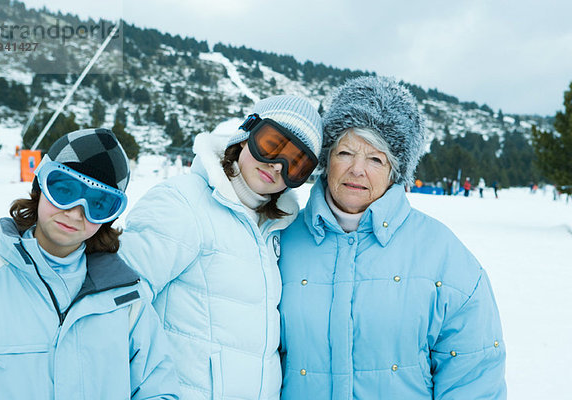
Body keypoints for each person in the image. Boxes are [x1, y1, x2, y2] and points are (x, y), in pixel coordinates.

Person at [278, 77, 506, 399]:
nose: (357, 169)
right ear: (327, 160)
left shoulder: (443, 254)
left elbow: (473, 375)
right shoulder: (280, 242)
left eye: (375, 158)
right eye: (345, 152)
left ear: (394, 171)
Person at [120, 96, 323, 400]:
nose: (277, 165)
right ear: (246, 135)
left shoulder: (274, 232)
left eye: (295, 163)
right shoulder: (182, 202)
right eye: (271, 145)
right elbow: (118, 308)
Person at [0, 129, 180, 399]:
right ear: (40, 186)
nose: (75, 212)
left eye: (98, 203)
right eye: (64, 189)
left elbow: (158, 389)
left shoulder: (128, 302)